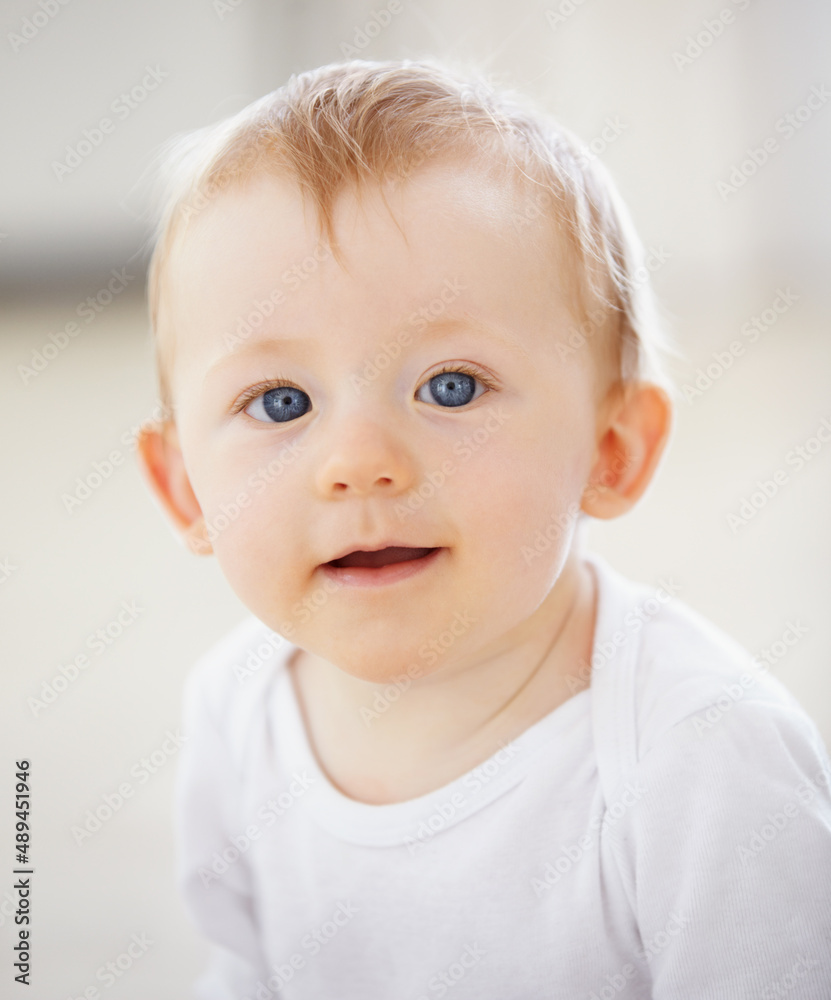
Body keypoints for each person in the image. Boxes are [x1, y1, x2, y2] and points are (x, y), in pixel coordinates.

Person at [136, 58, 831, 999]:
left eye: (450, 387)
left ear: (611, 449)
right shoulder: (237, 708)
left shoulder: (701, 757)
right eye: (280, 400)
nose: (358, 460)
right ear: (184, 492)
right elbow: (245, 971)